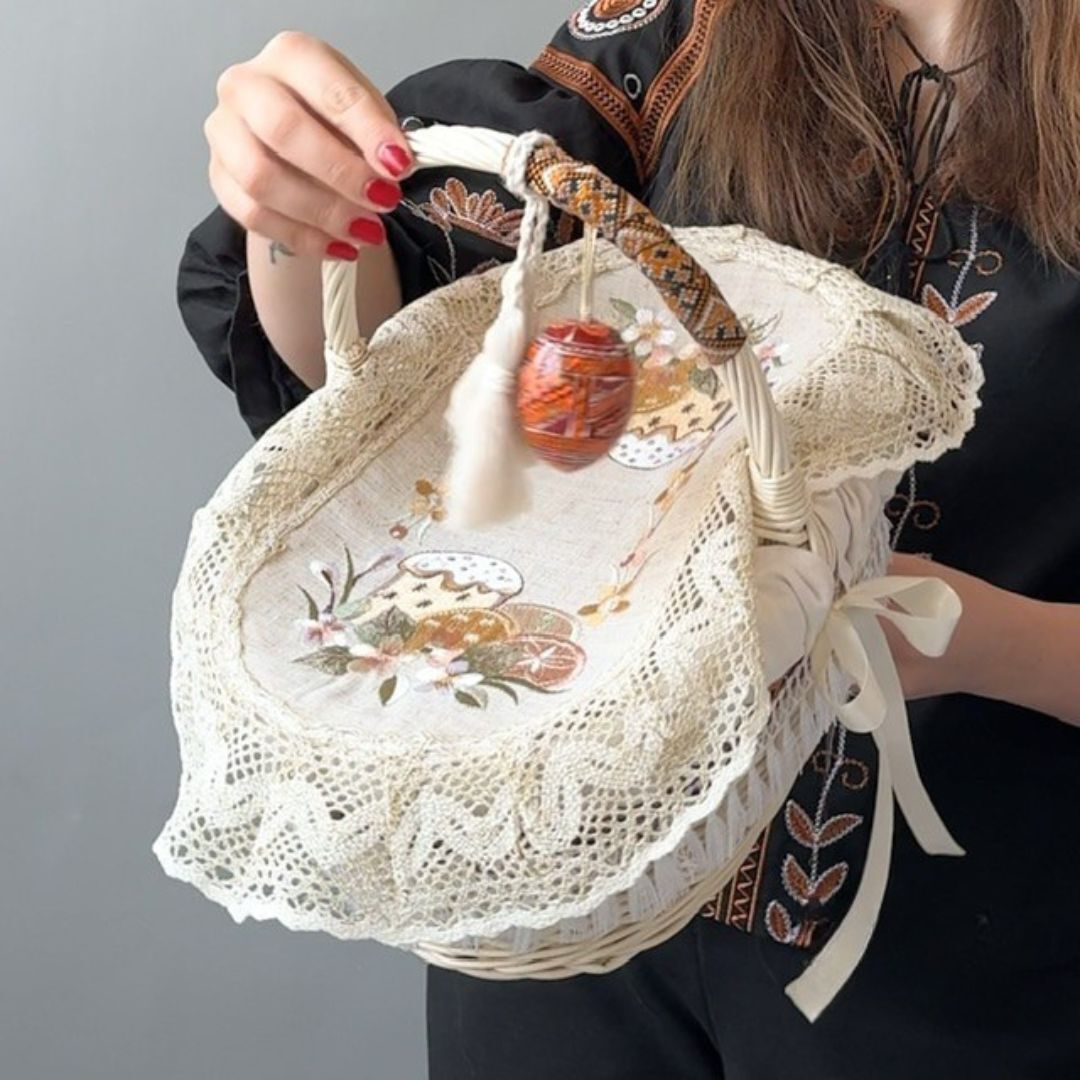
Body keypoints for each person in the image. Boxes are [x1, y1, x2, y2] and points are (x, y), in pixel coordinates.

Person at [177, 1, 1080, 1076]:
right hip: (570, 927)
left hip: (968, 966)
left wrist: (977, 638)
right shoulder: (687, 34)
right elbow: (395, 367)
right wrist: (300, 202)